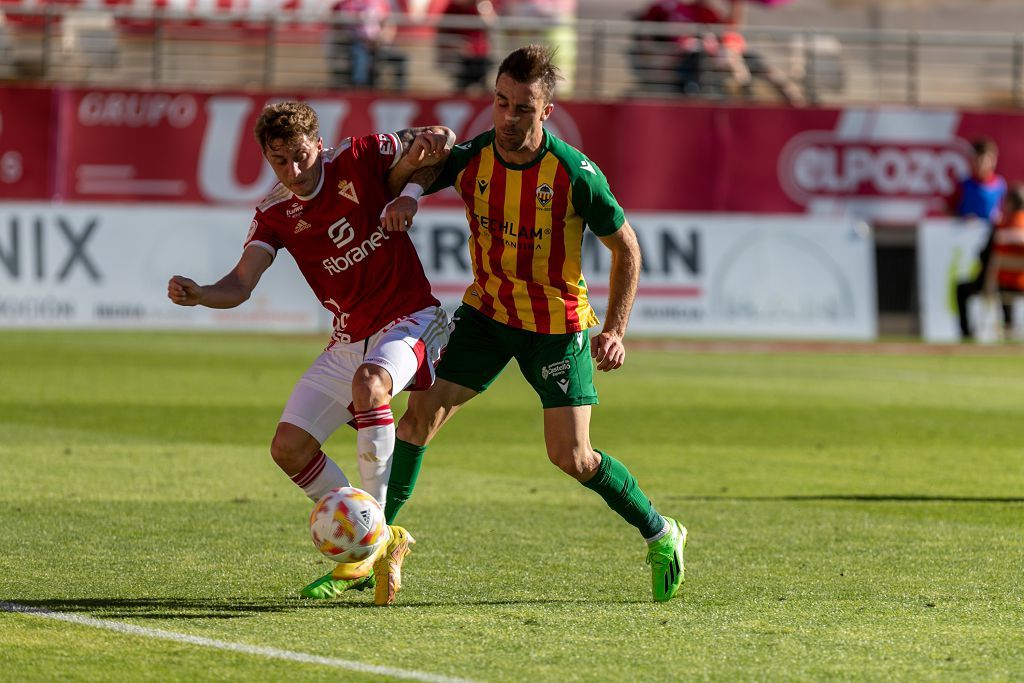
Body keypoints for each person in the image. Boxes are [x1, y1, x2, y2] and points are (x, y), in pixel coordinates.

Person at [384, 45, 687, 603]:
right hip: (487, 315)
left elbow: (627, 248)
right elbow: (419, 172)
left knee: (571, 457)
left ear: (546, 111)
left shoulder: (574, 174)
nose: (507, 117)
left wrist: (615, 329)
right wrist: (408, 194)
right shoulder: (473, 156)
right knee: (417, 419)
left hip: (555, 325)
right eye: (501, 102)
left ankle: (661, 531)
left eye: (523, 107)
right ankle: (371, 546)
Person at [167, 101, 454, 606]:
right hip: (348, 338)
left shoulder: (359, 157)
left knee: (371, 384)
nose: (294, 170)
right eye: (280, 161)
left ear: (318, 144)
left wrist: (409, 193)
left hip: (411, 318)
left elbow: (439, 142)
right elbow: (239, 284)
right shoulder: (274, 212)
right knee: (288, 448)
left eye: (301, 155)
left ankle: (374, 538)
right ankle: (368, 537)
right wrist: (201, 294)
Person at [951, 137, 1008, 340]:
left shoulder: (1001, 186)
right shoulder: (964, 185)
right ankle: (967, 333)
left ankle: (1007, 328)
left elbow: (1003, 216)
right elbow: (951, 210)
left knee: (999, 281)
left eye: (986, 159)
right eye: (978, 159)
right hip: (966, 247)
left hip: (995, 258)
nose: (982, 164)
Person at [326, 0, 406, 90]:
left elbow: (389, 25)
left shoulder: (380, 3)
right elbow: (337, 28)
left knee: (400, 58)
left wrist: (381, 40)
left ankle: (400, 91)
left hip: (378, 43)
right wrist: (363, 41)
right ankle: (360, 90)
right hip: (355, 43)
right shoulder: (344, 4)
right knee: (361, 57)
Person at [982, 183, 1024, 338]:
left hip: (1003, 285)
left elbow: (989, 258)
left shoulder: (1000, 227)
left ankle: (1008, 327)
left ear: (1010, 204)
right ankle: (1009, 328)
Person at [437, 0, 497, 93]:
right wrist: (458, 44)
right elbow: (443, 30)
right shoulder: (452, 7)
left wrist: (483, 7)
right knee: (468, 69)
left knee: (482, 66)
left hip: (480, 56)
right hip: (459, 55)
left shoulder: (482, 5)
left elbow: (491, 23)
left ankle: (479, 93)